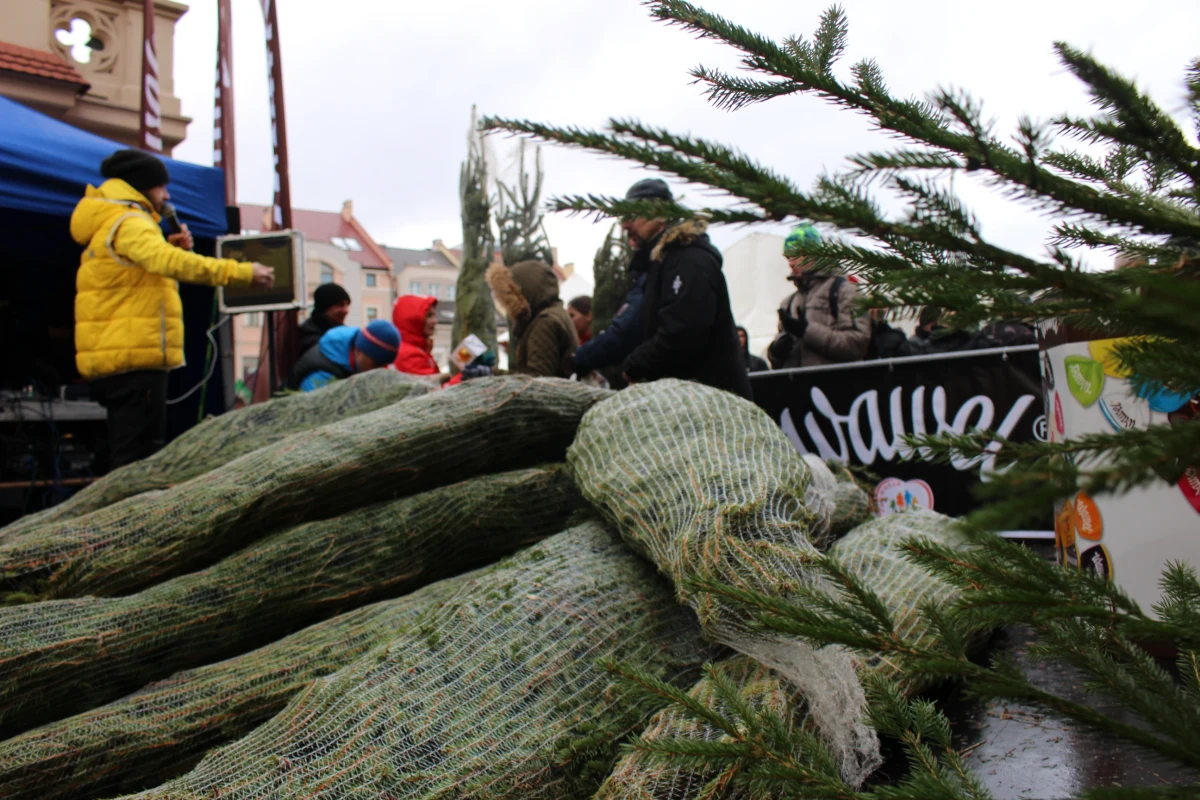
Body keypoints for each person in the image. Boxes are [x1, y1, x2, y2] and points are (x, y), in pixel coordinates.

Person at [72, 148, 274, 468]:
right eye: (161, 187)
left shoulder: (114, 220)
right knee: (136, 460)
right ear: (141, 186)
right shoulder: (131, 221)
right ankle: (132, 517)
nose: (166, 194)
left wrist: (167, 246)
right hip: (133, 358)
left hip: (123, 354)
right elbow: (172, 264)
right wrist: (243, 273)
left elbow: (139, 270)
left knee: (131, 453)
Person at [618, 178, 752, 400]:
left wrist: (636, 364)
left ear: (660, 214)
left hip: (714, 405)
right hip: (690, 401)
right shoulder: (661, 263)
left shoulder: (689, 258)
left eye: (632, 215)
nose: (625, 225)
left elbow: (684, 332)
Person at [767, 223, 870, 370]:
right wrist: (776, 352)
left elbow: (857, 345)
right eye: (788, 257)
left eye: (796, 255)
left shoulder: (844, 290)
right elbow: (776, 362)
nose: (791, 263)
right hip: (798, 390)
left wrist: (807, 331)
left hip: (835, 388)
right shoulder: (788, 303)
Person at [486, 260, 578, 378]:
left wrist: (491, 374)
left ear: (524, 291)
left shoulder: (545, 323)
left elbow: (536, 381)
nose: (507, 304)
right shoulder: (555, 314)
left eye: (510, 296)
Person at [288, 319, 400, 392]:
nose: (380, 370)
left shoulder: (350, 355)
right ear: (361, 351)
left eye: (385, 365)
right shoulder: (322, 378)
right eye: (377, 363)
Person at [391, 295, 441, 376]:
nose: (435, 321)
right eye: (429, 316)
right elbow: (435, 386)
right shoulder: (409, 355)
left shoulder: (416, 348)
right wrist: (463, 376)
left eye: (434, 315)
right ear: (412, 319)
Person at [298, 283, 351, 357]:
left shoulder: (337, 331)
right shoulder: (310, 337)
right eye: (340, 305)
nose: (346, 310)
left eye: (347, 305)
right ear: (324, 307)